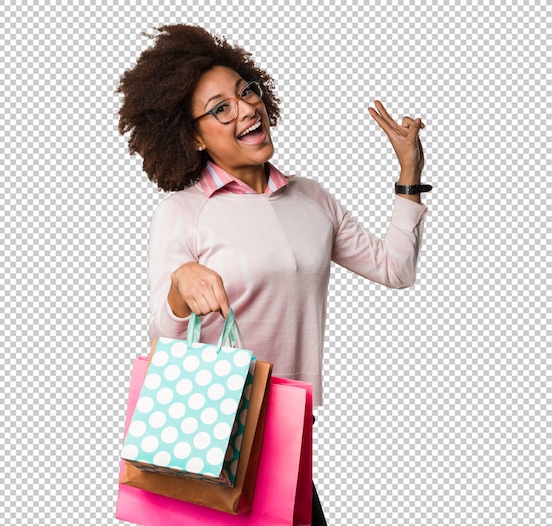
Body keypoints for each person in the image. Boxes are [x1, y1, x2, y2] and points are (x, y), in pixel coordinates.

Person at [117, 23, 429, 526]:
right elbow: (162, 335)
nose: (245, 109)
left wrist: (409, 174)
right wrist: (180, 289)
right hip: (209, 437)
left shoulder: (310, 198)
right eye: (220, 108)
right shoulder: (184, 212)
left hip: (288, 432)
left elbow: (396, 269)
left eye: (246, 92)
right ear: (194, 136)